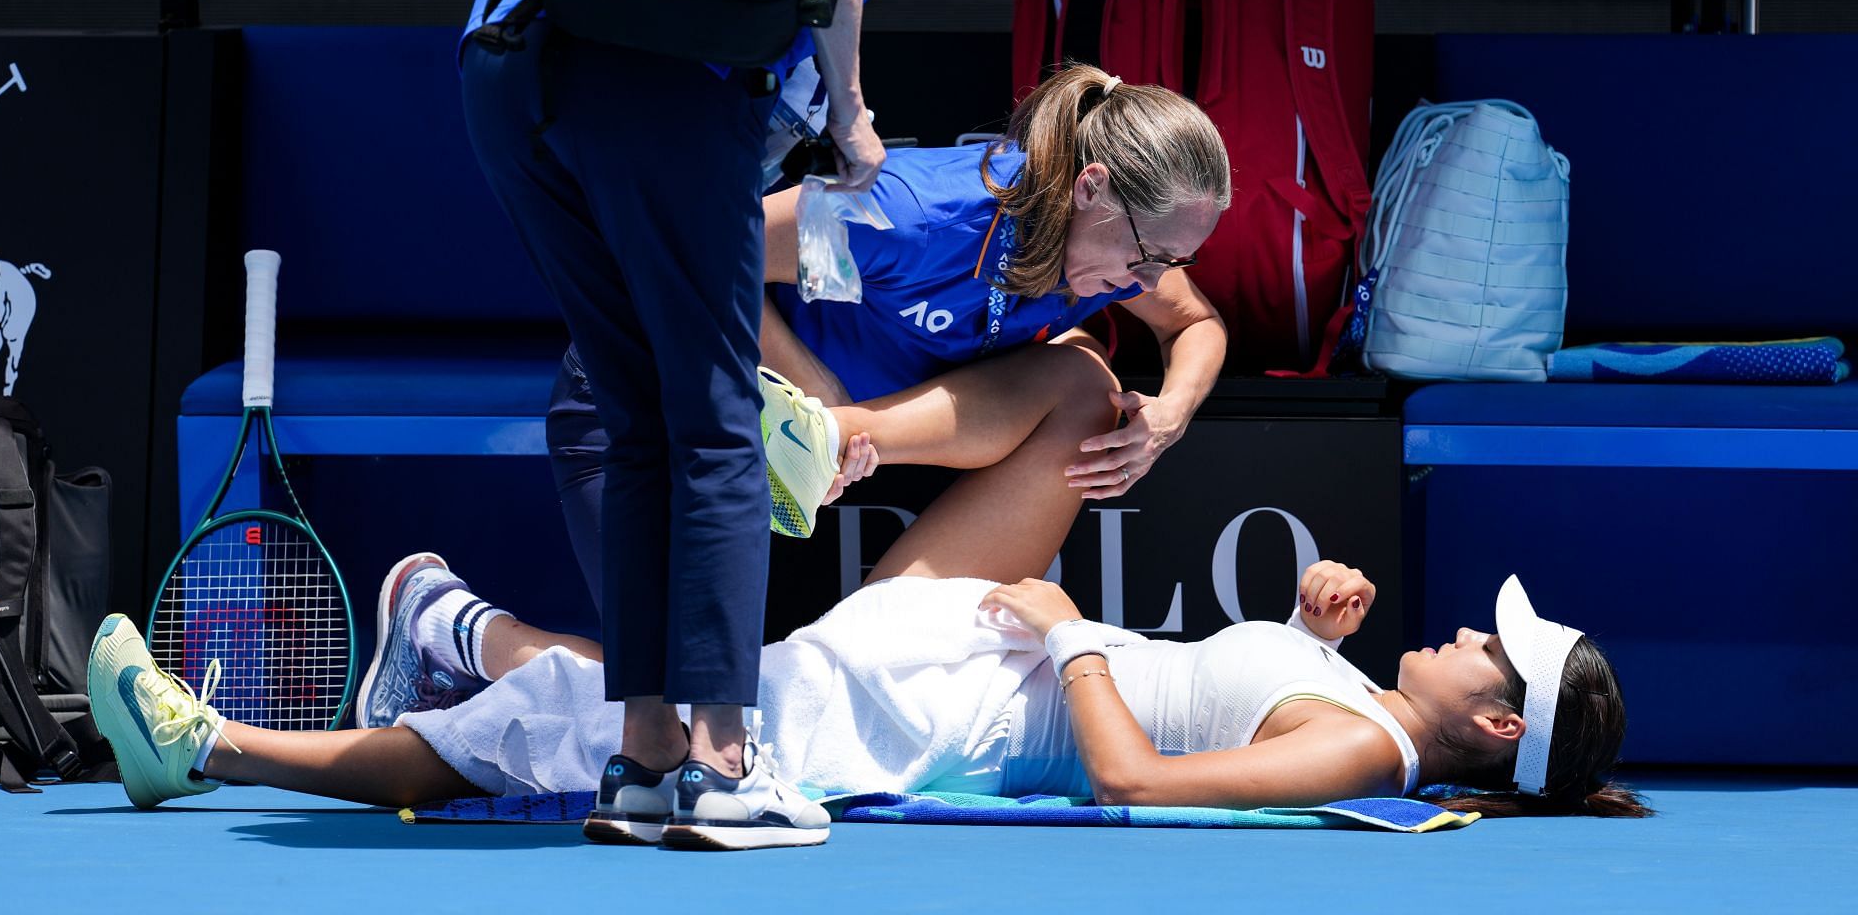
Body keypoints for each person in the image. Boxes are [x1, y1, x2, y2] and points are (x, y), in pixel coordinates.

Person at [458, 0, 1053, 849]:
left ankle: (643, 759)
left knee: (638, 420)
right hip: (661, 96)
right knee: (719, 428)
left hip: (509, 69)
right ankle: (726, 764)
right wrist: (852, 112)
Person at [87, 544, 1647, 829]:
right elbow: (1212, 700)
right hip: (950, 670)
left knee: (573, 734)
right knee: (659, 688)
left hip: (936, 719)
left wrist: (1065, 622)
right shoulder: (1361, 704)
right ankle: (451, 636)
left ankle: (212, 746)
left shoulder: (1362, 758)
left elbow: (1139, 782)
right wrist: (1311, 623)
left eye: (1484, 648)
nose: (1462, 629)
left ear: (1496, 722)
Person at [555, 62, 1233, 594]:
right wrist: (816, 390)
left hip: (810, 445)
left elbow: (1195, 323)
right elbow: (689, 268)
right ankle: (463, 628)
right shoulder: (908, 218)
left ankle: (836, 460)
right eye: (1148, 259)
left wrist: (1170, 413)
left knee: (1084, 377)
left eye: (1176, 261)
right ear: (1091, 187)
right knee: (658, 697)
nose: (1149, 284)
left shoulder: (1122, 251)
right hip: (653, 394)